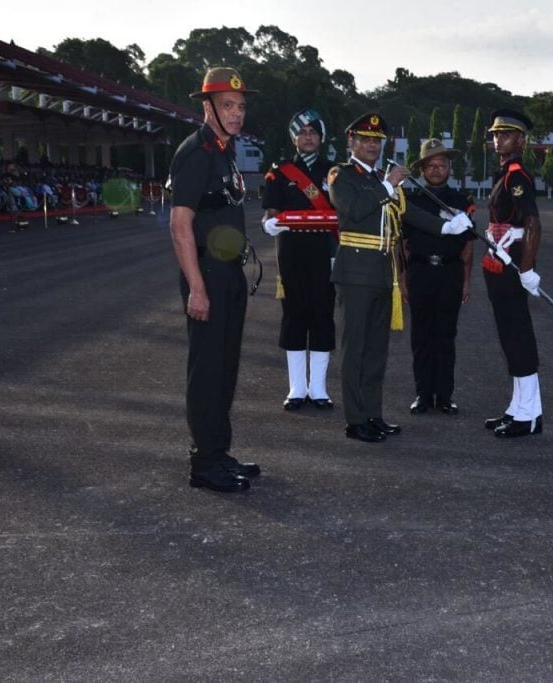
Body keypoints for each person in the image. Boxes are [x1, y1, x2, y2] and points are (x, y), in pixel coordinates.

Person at [328, 113, 473, 443]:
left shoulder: (381, 178)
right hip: (356, 271)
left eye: (376, 140)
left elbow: (407, 213)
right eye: (365, 139)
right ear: (351, 142)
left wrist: (446, 225)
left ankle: (372, 414)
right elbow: (354, 208)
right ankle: (355, 419)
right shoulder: (343, 175)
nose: (371, 145)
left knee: (377, 349)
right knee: (356, 349)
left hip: (382, 272)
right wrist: (388, 184)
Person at [167, 67, 260, 493]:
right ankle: (204, 463)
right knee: (206, 370)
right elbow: (180, 224)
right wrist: (198, 289)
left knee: (225, 368)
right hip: (207, 273)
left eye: (240, 106)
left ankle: (218, 451)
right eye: (228, 105)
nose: (237, 113)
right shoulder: (196, 151)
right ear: (208, 107)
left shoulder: (224, 149)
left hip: (229, 272)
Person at [261, 109, 337, 412]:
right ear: (294, 137)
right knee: (293, 316)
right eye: (302, 133)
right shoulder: (279, 172)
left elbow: (341, 215)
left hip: (324, 253)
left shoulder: (334, 172)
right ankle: (296, 388)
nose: (308, 137)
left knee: (322, 315)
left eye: (313, 133)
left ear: (321, 138)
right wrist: (269, 225)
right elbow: (270, 212)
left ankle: (319, 389)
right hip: (290, 253)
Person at [401, 138, 476, 415]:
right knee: (421, 335)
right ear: (421, 169)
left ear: (449, 169)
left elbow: (468, 243)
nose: (436, 170)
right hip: (419, 271)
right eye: (430, 165)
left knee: (446, 335)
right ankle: (422, 394)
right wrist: (402, 278)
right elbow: (401, 243)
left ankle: (444, 395)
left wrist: (467, 279)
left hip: (450, 272)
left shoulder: (461, 201)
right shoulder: (410, 201)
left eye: (441, 164)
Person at [481, 110, 544, 438]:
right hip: (500, 261)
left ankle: (530, 414)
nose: (498, 139)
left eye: (505, 135)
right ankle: (518, 408)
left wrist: (528, 268)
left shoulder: (516, 175)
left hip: (512, 262)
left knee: (519, 336)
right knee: (509, 335)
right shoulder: (503, 173)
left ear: (520, 140)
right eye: (495, 134)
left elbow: (532, 222)